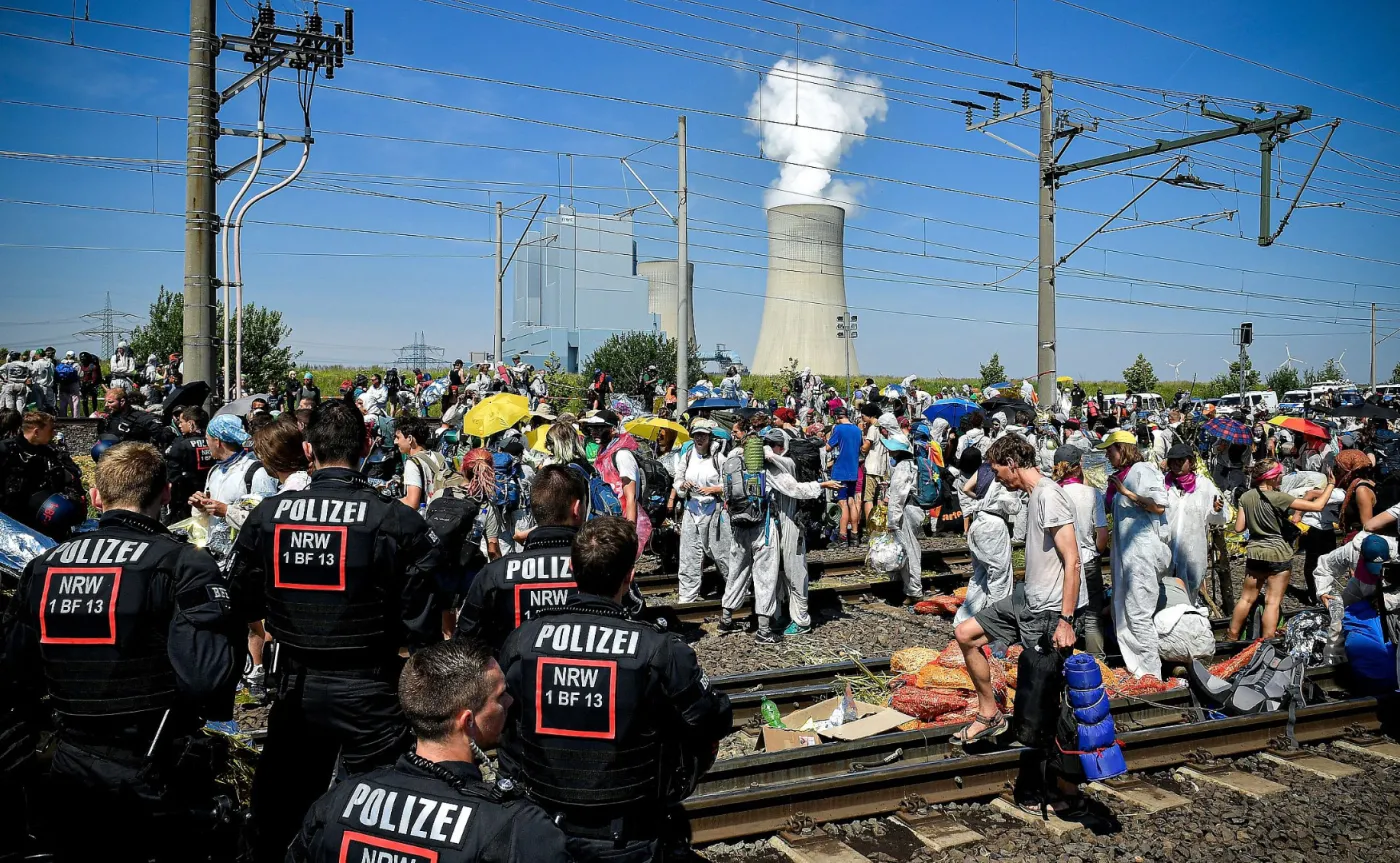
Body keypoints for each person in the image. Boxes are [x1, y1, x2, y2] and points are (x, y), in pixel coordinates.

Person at [1, 441, 239, 861]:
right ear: (166, 494)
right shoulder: (182, 562)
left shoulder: (45, 564)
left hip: (66, 765)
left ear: (96, 497)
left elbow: (12, 670)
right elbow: (208, 680)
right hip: (151, 769)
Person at [228, 399, 444, 861]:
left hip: (296, 685)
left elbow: (239, 597)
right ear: (367, 445)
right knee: (383, 812)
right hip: (371, 686)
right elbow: (423, 624)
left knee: (279, 814)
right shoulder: (396, 520)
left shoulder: (269, 514)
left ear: (308, 450)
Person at [496, 517, 732, 862]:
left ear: (574, 570)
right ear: (629, 577)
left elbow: (504, 724)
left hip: (538, 826)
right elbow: (713, 718)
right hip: (628, 836)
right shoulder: (659, 649)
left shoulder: (523, 640)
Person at [287, 638, 570, 863]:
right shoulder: (515, 826)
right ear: (468, 722)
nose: (509, 702)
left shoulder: (340, 799)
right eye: (500, 696)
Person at [951, 434, 1081, 816]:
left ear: (1011, 461)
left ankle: (1061, 788)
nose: (998, 478)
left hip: (1048, 610)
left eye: (997, 470)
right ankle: (988, 710)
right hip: (1027, 598)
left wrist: (1066, 620)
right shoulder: (1033, 496)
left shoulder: (1049, 495)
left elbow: (1072, 561)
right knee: (966, 633)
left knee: (1044, 702)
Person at [455, 464, 586, 654]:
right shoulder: (602, 565)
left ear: (534, 510)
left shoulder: (495, 574)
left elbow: (465, 642)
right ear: (577, 508)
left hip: (513, 677)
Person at [1227, 459, 1334, 641]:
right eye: (1279, 475)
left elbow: (1238, 528)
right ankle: (1267, 642)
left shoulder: (1246, 497)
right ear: (1271, 477)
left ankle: (1231, 637)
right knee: (1272, 602)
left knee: (1246, 599)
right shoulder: (1280, 497)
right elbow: (1318, 506)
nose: (1281, 478)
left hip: (1255, 552)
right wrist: (1331, 484)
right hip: (1279, 552)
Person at [1097, 429, 1172, 679]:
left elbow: (1159, 506)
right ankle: (1137, 669)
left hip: (1142, 555)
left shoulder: (1143, 471)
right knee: (1127, 610)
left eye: (1110, 451)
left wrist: (1127, 494)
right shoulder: (1125, 476)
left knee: (1138, 613)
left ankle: (1150, 675)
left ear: (1122, 449)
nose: (1108, 456)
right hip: (1130, 556)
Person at [1311, 533, 1399, 694]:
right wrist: (1323, 591)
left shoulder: (1398, 550)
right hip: (1360, 586)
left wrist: (1386, 601)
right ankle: (1333, 662)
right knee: (1340, 620)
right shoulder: (1351, 550)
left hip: (1392, 593)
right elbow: (1325, 566)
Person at [1052, 445, 1109, 654]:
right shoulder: (1092, 494)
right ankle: (1097, 661)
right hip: (1087, 559)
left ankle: (1064, 657)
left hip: (1061, 562)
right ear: (1079, 467)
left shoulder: (1052, 493)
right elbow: (1102, 535)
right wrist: (1095, 552)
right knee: (1093, 614)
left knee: (1065, 611)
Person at [958, 449, 1022, 625]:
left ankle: (965, 619)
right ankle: (997, 622)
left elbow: (966, 488)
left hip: (978, 521)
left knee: (979, 576)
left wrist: (981, 499)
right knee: (999, 576)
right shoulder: (1004, 475)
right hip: (994, 524)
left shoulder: (983, 469)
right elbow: (1012, 507)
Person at [671, 418, 731, 604]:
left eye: (703, 435)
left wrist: (713, 490)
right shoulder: (688, 456)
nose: (699, 438)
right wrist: (683, 486)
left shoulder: (719, 458)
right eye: (697, 435)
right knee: (689, 555)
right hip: (692, 509)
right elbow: (678, 480)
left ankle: (736, 592)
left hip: (714, 510)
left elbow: (730, 484)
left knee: (722, 553)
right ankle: (687, 597)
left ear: (709, 437)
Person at [0, 410, 86, 539]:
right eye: (51, 430)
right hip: (11, 519)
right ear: (36, 432)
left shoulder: (51, 451)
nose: (54, 434)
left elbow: (72, 476)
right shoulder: (6, 450)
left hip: (45, 515)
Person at [581, 409, 651, 557]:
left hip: (622, 520)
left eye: (600, 428)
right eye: (592, 428)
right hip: (608, 518)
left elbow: (630, 496)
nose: (595, 432)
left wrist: (630, 531)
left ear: (613, 429)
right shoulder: (603, 452)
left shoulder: (622, 455)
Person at [1162, 443, 1227, 599]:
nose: (1176, 464)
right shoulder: (1163, 484)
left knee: (1189, 591)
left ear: (1190, 462)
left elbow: (1216, 517)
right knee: (1164, 589)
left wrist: (1216, 510)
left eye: (1181, 460)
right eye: (1173, 461)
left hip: (1192, 549)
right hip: (1165, 547)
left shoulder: (1203, 485)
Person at [188, 413, 275, 523]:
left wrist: (227, 511)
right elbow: (207, 520)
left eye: (207, 439)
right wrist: (201, 507)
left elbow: (266, 517)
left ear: (217, 441)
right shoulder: (214, 471)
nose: (207, 444)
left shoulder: (256, 472)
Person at [883, 435, 928, 605]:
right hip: (914, 510)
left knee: (909, 552)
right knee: (911, 550)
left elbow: (897, 497)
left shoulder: (902, 467)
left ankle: (914, 591)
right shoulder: (912, 463)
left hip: (905, 512)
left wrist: (892, 521)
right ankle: (910, 588)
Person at [163, 404, 213, 522]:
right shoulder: (214, 442)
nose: (180, 425)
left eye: (182, 422)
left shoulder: (180, 445)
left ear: (190, 423)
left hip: (184, 498)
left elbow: (172, 474)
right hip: (209, 495)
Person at [825, 409, 863, 548]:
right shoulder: (857, 430)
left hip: (841, 470)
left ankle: (842, 536)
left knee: (842, 503)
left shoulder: (839, 429)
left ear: (837, 417)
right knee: (851, 501)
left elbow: (828, 447)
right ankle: (854, 535)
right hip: (853, 469)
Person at [397, 415, 449, 512]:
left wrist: (389, 502)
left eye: (398, 437)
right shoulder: (439, 456)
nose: (396, 442)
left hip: (425, 517)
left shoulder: (412, 462)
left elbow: (412, 503)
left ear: (409, 439)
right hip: (442, 513)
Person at [97, 386, 170, 446]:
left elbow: (161, 434)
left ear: (122, 402)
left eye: (110, 402)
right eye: (105, 402)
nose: (106, 405)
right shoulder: (109, 418)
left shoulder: (141, 418)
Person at [55, 350, 81, 417]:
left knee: (63, 403)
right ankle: (75, 418)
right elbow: (80, 375)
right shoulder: (76, 365)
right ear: (74, 356)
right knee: (75, 403)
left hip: (62, 385)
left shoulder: (61, 365)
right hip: (73, 385)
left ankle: (63, 418)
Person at [78, 351, 103, 415]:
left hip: (92, 385)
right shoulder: (81, 366)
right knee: (84, 401)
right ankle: (86, 415)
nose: (82, 361)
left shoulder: (93, 366)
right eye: (81, 359)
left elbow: (95, 377)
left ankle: (94, 412)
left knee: (94, 399)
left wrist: (90, 383)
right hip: (84, 384)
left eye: (83, 359)